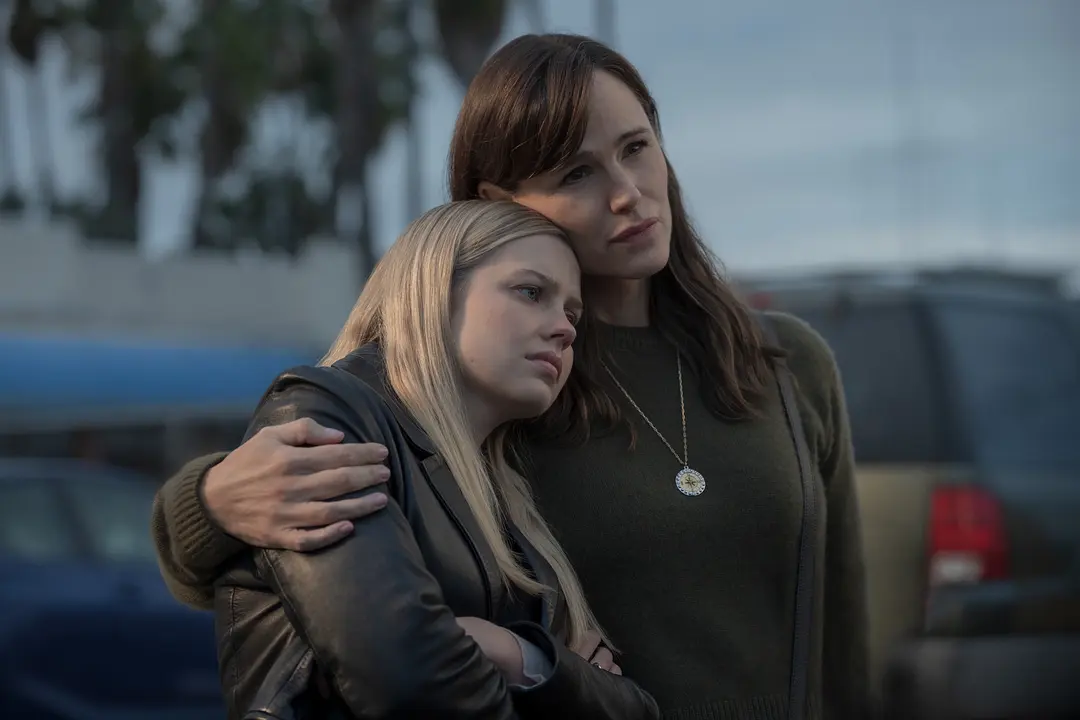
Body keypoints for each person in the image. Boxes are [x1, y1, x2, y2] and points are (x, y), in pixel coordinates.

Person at [152, 34, 870, 719]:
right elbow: (342, 436)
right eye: (577, 174)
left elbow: (843, 639)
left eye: (636, 148)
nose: (628, 193)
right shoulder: (496, 381)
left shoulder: (787, 363)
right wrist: (208, 500)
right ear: (499, 203)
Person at [207, 200, 659, 719]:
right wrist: (558, 678)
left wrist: (517, 654)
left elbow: (634, 709)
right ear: (436, 290)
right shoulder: (326, 413)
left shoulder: (505, 487)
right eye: (531, 292)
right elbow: (405, 676)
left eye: (572, 314)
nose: (565, 329)